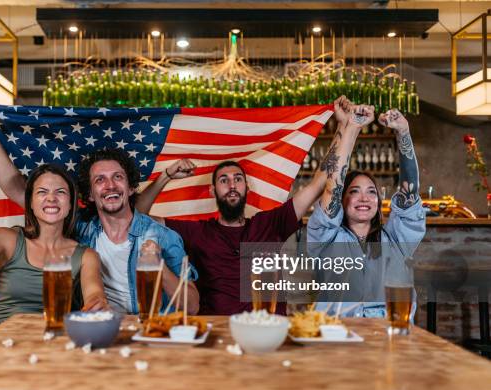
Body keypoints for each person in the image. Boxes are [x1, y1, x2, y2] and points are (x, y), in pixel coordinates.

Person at [136, 96, 374, 315]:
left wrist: (345, 127)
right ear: (212, 191)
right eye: (223, 180)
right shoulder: (196, 232)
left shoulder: (271, 223)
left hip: (271, 329)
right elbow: (138, 216)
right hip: (218, 333)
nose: (232, 184)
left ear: (246, 188)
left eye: (238, 179)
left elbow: (318, 183)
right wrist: (166, 176)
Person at [0, 113, 199, 315]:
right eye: (100, 180)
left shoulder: (162, 237)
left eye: (118, 177)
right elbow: (19, 190)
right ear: (90, 194)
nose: (110, 185)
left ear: (130, 188)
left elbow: (192, 307)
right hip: (95, 330)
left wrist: (158, 266)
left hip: (150, 334)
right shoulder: (79, 229)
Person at [0, 161, 108, 338]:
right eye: (42, 192)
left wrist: (97, 304)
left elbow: (94, 295)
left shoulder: (86, 256)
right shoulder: (7, 239)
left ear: (71, 203)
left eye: (61, 192)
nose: (51, 198)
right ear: (31, 203)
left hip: (53, 338)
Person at [306, 109, 426, 317]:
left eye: (372, 192)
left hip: (389, 337)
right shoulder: (324, 237)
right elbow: (332, 187)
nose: (364, 198)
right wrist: (352, 127)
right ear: (341, 201)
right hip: (337, 336)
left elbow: (410, 191)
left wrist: (403, 132)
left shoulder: (397, 238)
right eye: (354, 192)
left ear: (378, 202)